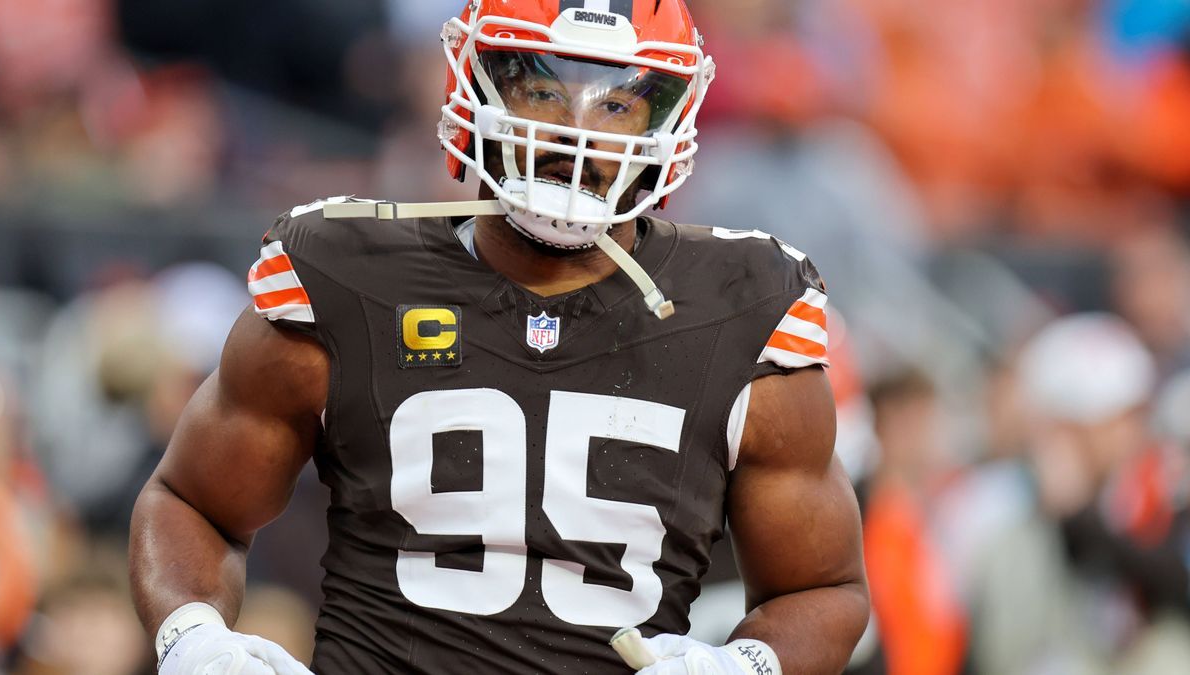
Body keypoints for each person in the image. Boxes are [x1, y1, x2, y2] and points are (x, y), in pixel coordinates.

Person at [128, 2, 869, 674]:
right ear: (474, 87)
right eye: (543, 90)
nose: (576, 129)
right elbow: (191, 501)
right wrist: (195, 637)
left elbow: (824, 588)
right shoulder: (343, 270)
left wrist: (748, 665)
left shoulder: (745, 303)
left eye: (615, 102)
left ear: (664, 121)